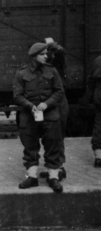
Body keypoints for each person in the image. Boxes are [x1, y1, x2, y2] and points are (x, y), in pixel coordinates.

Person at [13, 43, 65, 192]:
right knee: (30, 147)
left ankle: (53, 178)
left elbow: (59, 92)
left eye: (46, 54)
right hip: (29, 116)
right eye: (42, 54)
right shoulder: (21, 73)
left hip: (50, 115)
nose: (46, 56)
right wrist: (30, 106)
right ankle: (32, 178)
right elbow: (17, 96)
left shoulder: (52, 70)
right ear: (34, 56)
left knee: (53, 145)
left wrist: (47, 104)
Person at [45, 42, 68, 180]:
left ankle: (59, 168)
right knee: (51, 138)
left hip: (58, 105)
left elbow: (61, 52)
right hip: (52, 105)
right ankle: (54, 168)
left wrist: (52, 44)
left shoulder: (56, 65)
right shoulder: (47, 67)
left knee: (57, 137)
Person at [88, 55, 101, 167]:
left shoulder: (97, 60)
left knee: (99, 124)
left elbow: (91, 80)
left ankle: (98, 156)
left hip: (99, 94)